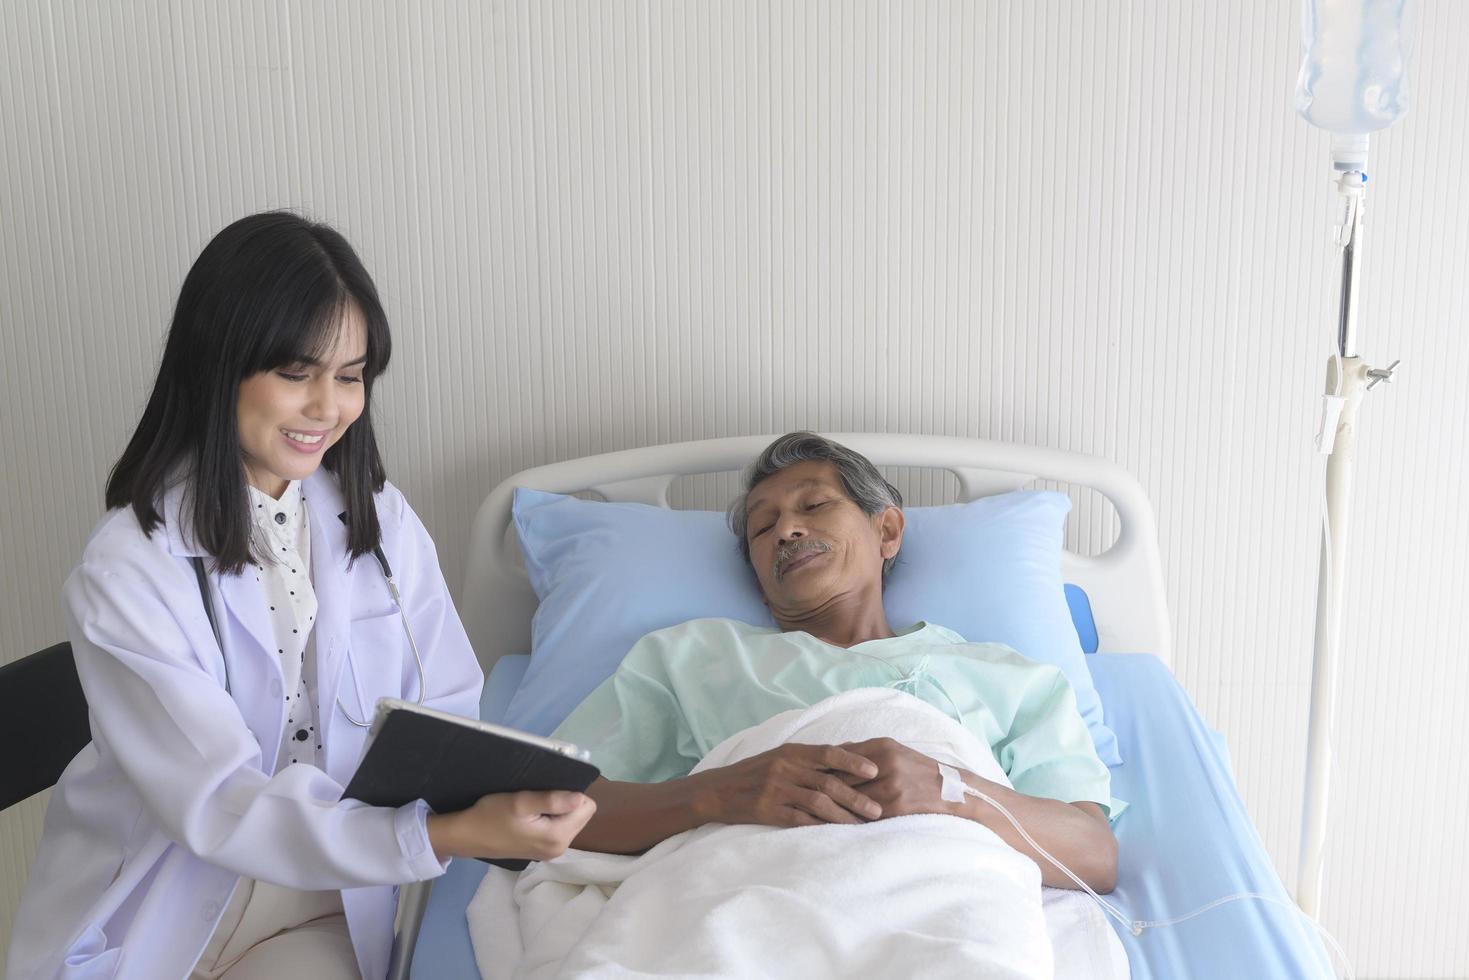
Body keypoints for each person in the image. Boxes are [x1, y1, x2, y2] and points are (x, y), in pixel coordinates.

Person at [7, 212, 595, 980]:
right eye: (295, 372)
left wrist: (489, 806)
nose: (327, 406)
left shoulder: (378, 520)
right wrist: (441, 836)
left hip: (322, 900)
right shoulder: (129, 566)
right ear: (220, 366)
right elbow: (216, 802)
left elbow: (446, 701)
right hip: (161, 900)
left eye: (350, 376)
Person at [553, 431, 1118, 893]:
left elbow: (1093, 855)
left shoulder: (1010, 678)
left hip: (945, 895)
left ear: (887, 530)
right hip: (745, 892)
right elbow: (557, 808)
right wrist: (716, 793)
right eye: (762, 527)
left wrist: (953, 792)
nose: (787, 530)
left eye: (814, 505)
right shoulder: (690, 658)